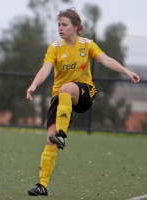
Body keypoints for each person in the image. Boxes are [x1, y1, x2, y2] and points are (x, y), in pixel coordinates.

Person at [26, 8, 140, 196]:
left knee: (66, 88)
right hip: (60, 98)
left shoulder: (87, 45)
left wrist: (127, 71)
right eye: (59, 25)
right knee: (49, 140)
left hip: (84, 93)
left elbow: (106, 60)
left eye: (64, 25)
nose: (60, 28)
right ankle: (42, 185)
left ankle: (62, 134)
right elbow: (45, 69)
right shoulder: (54, 47)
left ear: (76, 27)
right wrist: (34, 84)